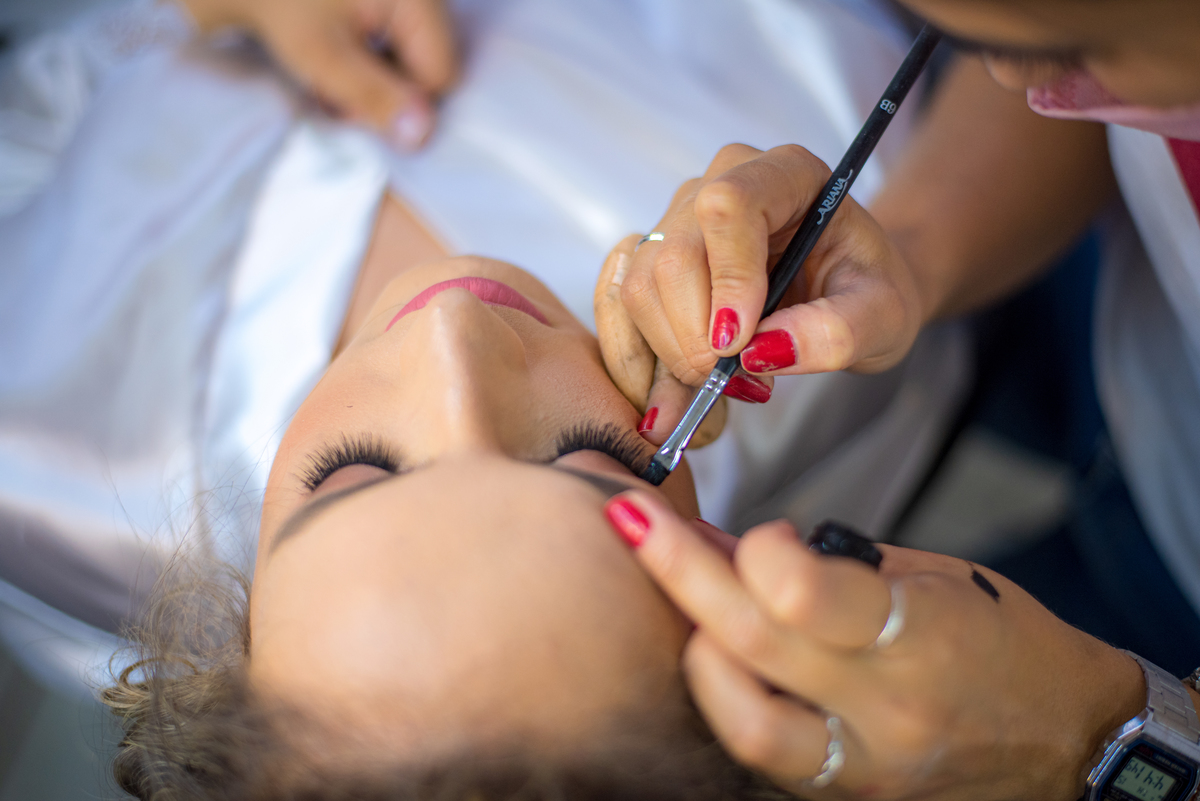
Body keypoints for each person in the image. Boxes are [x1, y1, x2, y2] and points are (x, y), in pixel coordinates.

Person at [0, 0, 966, 796]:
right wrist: (914, 245)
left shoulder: (40, 466)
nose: (452, 339)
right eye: (586, 460)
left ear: (234, 643)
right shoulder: (794, 324)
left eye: (353, 473)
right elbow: (1074, 84)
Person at [598, 0, 1200, 798]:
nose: (1003, 75)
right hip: (1144, 431)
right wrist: (904, 256)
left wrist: (1098, 733)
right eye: (967, 31)